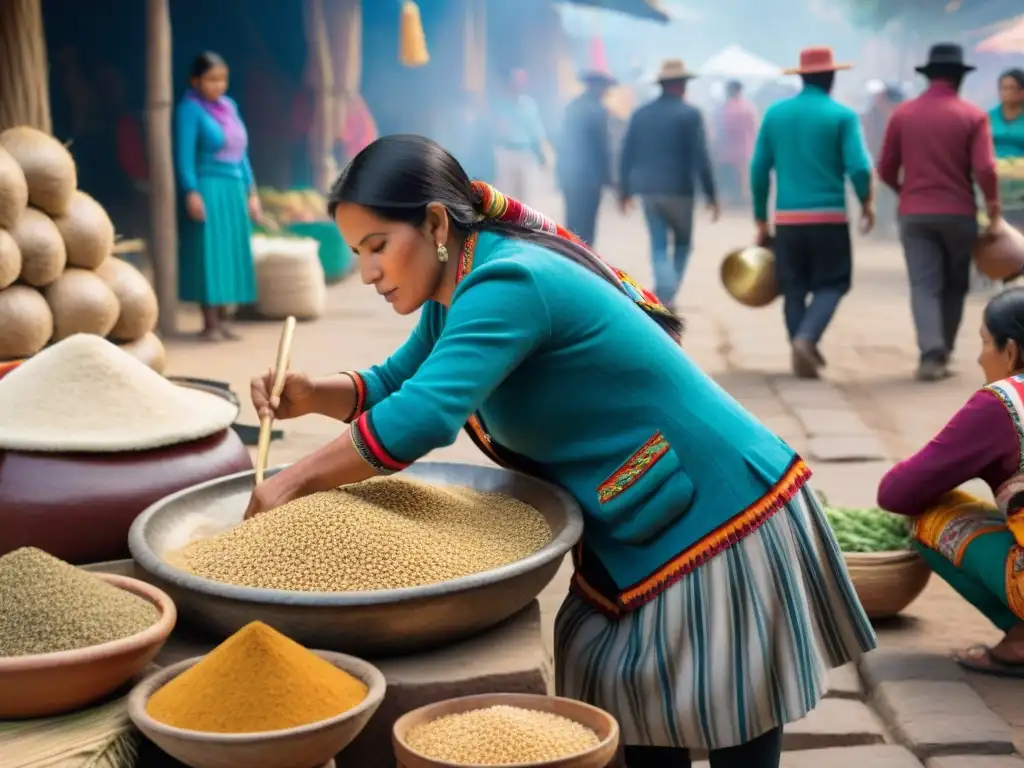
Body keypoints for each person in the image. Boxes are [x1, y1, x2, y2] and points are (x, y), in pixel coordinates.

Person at [246, 134, 875, 768]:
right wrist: (310, 395)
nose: (368, 272)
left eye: (378, 247)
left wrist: (294, 481)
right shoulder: (456, 287)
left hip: (720, 514)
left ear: (436, 223)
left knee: (732, 723)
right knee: (636, 716)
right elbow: (397, 383)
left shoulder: (508, 280)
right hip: (639, 513)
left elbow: (424, 416)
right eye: (357, 253)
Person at [878, 287, 1024, 678]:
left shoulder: (1005, 402)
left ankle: (1020, 643)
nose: (979, 357)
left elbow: (898, 492)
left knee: (928, 514)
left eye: (984, 343)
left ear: (1010, 351)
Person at [877, 44, 1001, 382]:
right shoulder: (973, 116)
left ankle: (930, 353)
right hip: (959, 214)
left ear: (928, 77)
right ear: (959, 78)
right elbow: (986, 169)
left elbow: (886, 167)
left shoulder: (903, 115)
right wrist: (992, 207)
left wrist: (906, 193)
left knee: (924, 284)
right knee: (954, 285)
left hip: (915, 215)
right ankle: (943, 349)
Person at [751, 47, 874, 380]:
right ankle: (806, 339)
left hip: (788, 221)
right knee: (832, 283)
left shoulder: (775, 115)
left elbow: (759, 168)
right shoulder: (843, 116)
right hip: (830, 219)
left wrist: (761, 218)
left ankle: (798, 349)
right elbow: (860, 167)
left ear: (802, 77)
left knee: (793, 288)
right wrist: (866, 202)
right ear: (831, 78)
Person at [619, 59, 719, 311]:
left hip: (648, 190)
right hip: (680, 191)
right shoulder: (691, 114)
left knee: (659, 244)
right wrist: (711, 195)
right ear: (682, 85)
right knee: (683, 244)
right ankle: (667, 293)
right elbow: (700, 157)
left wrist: (624, 191)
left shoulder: (640, 114)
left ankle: (665, 292)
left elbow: (627, 153)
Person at [175, 51, 259, 341]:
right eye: (211, 79)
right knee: (208, 253)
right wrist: (191, 192)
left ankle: (224, 320)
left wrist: (252, 192)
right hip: (208, 187)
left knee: (231, 251)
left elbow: (242, 154)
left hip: (234, 188)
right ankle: (209, 322)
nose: (218, 85)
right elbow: (184, 156)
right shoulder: (190, 108)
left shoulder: (230, 106)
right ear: (195, 80)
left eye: (222, 79)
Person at [557, 69, 615, 246]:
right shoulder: (598, 111)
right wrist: (609, 179)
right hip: (591, 179)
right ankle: (585, 259)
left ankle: (570, 256)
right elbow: (602, 148)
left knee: (572, 222)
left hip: (570, 175)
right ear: (598, 87)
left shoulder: (571, 107)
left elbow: (562, 141)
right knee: (587, 225)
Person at [493, 68, 546, 206]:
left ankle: (522, 226)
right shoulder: (501, 105)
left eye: (522, 82)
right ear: (510, 83)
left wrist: (541, 153)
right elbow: (495, 130)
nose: (519, 85)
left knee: (526, 194)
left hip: (525, 153)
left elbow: (536, 131)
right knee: (504, 194)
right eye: (516, 81)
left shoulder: (530, 105)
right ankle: (503, 225)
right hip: (506, 152)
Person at [861, 82, 904, 238]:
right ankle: (880, 228)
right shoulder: (870, 118)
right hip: (876, 164)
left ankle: (889, 226)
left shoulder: (901, 117)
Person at [714, 80, 758, 208]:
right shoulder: (749, 107)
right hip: (746, 151)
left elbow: (720, 131)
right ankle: (743, 205)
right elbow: (754, 129)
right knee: (744, 181)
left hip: (727, 153)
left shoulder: (725, 108)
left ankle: (733, 205)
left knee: (731, 182)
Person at [991, 69, 1024, 231]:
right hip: (995, 179)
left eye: (1011, 88)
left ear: (1022, 92)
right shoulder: (988, 118)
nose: (1006, 93)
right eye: (1003, 88)